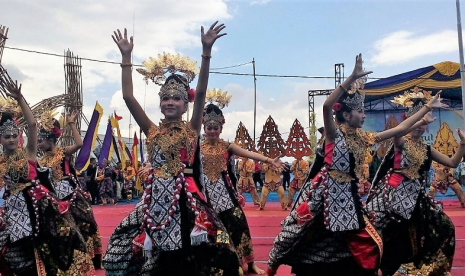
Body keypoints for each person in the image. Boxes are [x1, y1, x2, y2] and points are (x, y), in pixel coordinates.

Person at [267, 54, 446, 276]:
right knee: (295, 232)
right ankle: (271, 266)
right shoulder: (334, 134)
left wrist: (426, 108)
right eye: (359, 111)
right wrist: (351, 77)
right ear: (345, 113)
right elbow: (326, 105)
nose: (363, 115)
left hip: (349, 199)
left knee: (366, 243)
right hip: (324, 194)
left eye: (363, 111)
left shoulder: (364, 138)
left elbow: (400, 129)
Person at [103, 22, 242, 275]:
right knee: (119, 248)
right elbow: (128, 97)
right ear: (160, 103)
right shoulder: (152, 131)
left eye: (176, 98)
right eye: (165, 98)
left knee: (221, 244)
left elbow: (200, 93)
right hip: (155, 201)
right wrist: (126, 57)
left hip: (188, 200)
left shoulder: (191, 130)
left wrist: (206, 51)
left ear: (185, 104)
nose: (170, 102)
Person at [366, 87, 459, 275]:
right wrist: (422, 115)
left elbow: (452, 162)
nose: (420, 125)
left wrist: (463, 144)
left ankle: (425, 268)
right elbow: (398, 133)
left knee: (444, 225)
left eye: (423, 122)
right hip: (394, 196)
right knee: (379, 230)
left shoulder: (426, 148)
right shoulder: (401, 142)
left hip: (417, 198)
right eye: (415, 120)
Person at [0, 81, 87, 275]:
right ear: (1, 139)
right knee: (15, 254)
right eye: (7, 136)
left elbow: (32, 124)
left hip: (38, 205)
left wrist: (20, 99)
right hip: (13, 210)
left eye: (15, 135)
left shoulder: (28, 153)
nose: (12, 139)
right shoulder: (1, 162)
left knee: (56, 242)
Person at [201, 101, 285, 274]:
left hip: (228, 199)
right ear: (203, 127)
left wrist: (268, 160)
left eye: (215, 127)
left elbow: (249, 153)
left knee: (240, 230)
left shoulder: (227, 146)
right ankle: (230, 263)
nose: (212, 131)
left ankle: (250, 263)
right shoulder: (197, 148)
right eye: (209, 127)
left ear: (221, 128)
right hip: (208, 203)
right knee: (218, 235)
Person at [36, 110, 103, 270]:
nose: (38, 144)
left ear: (50, 139)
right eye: (37, 141)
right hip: (55, 200)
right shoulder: (41, 160)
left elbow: (80, 144)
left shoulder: (62, 152)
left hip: (72, 197)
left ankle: (93, 257)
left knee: (87, 224)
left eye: (40, 141)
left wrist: (72, 123)